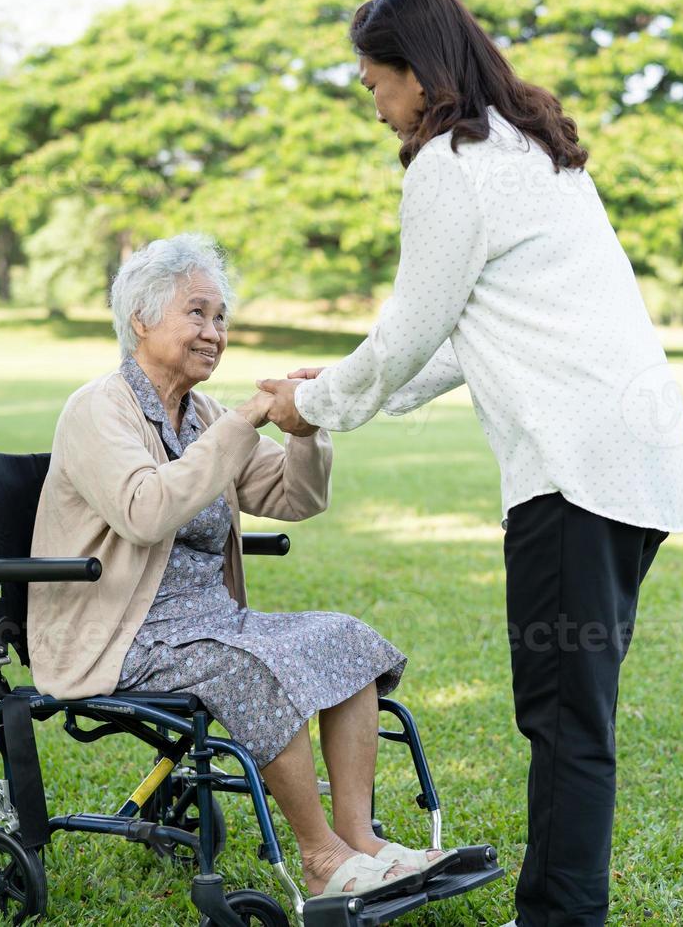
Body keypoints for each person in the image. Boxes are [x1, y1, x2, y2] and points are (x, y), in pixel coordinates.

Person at [257, 0, 683, 927]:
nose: (374, 104)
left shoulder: (450, 166)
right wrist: (333, 394)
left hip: (573, 471)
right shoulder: (528, 150)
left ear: (420, 77)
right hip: (637, 465)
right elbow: (462, 339)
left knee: (564, 718)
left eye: (377, 83)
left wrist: (309, 406)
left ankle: (558, 920)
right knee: (572, 712)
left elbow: (410, 334)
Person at [27, 233, 451, 899]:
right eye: (197, 313)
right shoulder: (97, 409)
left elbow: (295, 497)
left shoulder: (203, 416)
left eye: (220, 318)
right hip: (121, 632)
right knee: (251, 667)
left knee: (347, 638)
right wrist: (246, 421)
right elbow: (144, 510)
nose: (214, 332)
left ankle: (358, 842)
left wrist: (304, 430)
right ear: (141, 319)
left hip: (209, 622)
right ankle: (319, 860)